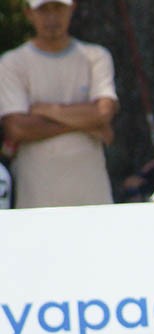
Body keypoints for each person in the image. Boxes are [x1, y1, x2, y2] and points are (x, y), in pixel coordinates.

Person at [0, 0, 118, 209]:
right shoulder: (12, 63)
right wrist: (88, 123)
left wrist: (42, 110)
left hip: (93, 198)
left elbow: (103, 113)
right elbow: (16, 128)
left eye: (58, 8)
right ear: (29, 13)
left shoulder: (96, 57)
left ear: (72, 8)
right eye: (43, 10)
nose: (52, 18)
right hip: (36, 200)